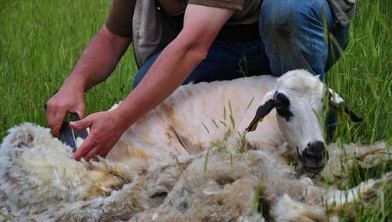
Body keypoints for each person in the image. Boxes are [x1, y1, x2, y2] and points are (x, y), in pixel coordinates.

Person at [45, 0, 356, 161]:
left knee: (286, 13)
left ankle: (313, 131)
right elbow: (113, 36)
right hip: (220, 40)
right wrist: (74, 82)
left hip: (289, 24)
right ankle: (232, 137)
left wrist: (119, 118)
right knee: (146, 92)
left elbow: (192, 46)